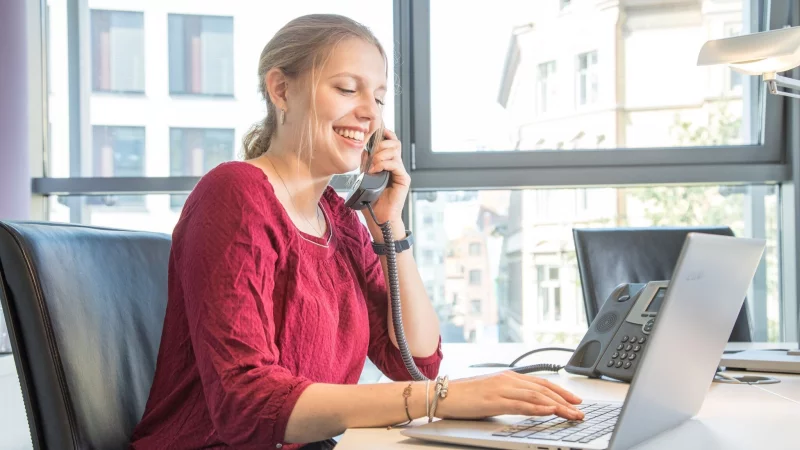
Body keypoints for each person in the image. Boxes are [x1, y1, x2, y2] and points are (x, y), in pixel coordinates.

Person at [129, 13, 584, 450]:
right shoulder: (235, 193)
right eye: (348, 89)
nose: (370, 114)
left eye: (379, 98)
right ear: (281, 89)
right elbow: (246, 404)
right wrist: (442, 398)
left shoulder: (341, 221)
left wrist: (391, 226)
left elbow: (418, 362)